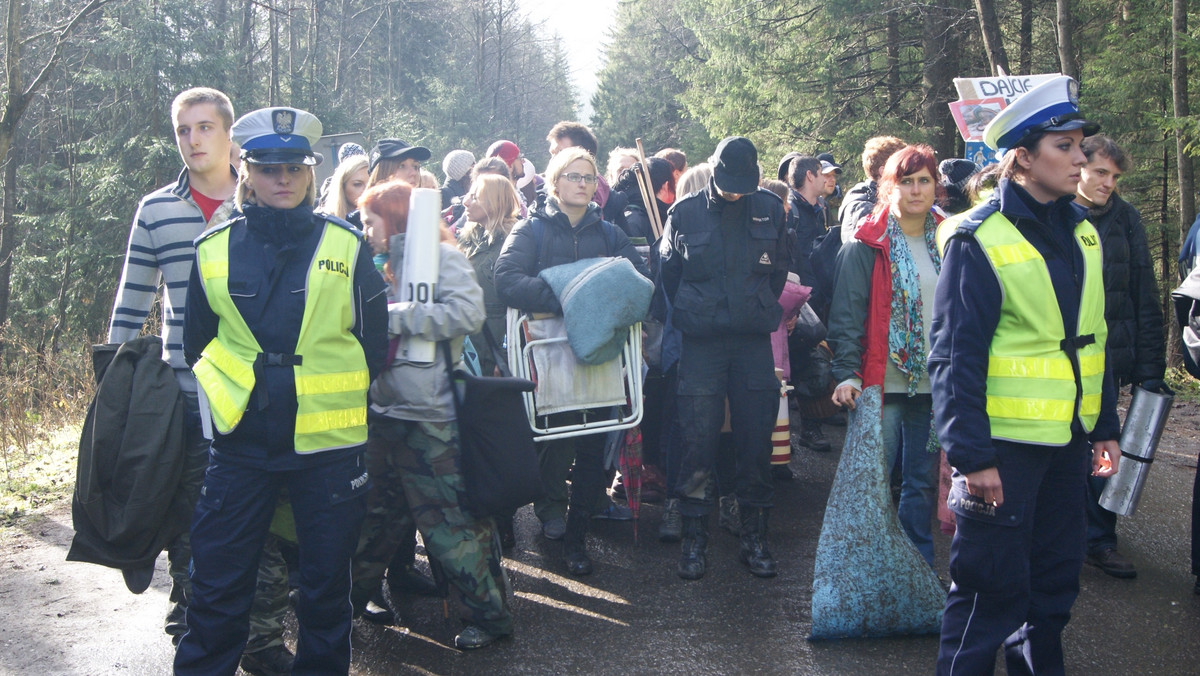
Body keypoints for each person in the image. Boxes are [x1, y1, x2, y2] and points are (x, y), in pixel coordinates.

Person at [175, 106, 388, 675]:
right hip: (241, 445)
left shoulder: (347, 246)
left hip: (329, 448)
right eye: (270, 168)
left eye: (295, 167)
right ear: (246, 170)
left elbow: (373, 347)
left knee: (323, 597)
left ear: (311, 172)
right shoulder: (212, 249)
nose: (284, 179)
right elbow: (200, 344)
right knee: (217, 593)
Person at [931, 76, 1121, 674]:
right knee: (988, 596)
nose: (1081, 158)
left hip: (1066, 443)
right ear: (1021, 158)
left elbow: (1094, 339)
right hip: (1002, 453)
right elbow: (955, 356)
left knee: (1051, 597)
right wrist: (971, 456)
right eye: (1064, 147)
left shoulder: (1084, 232)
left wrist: (1105, 425)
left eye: (1080, 146)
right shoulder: (978, 239)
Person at [348, 179, 513, 650]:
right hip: (383, 415)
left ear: (395, 217)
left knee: (449, 528)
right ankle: (341, 605)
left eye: (369, 221)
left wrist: (396, 316)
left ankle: (492, 618)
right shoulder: (372, 266)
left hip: (431, 419)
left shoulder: (444, 259)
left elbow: (468, 313)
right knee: (370, 522)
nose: (364, 231)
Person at [494, 146, 648, 575]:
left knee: (593, 444)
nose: (582, 184)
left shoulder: (610, 232)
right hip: (548, 356)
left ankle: (577, 540)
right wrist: (574, 297)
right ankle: (539, 516)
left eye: (588, 177)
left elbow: (637, 282)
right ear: (555, 181)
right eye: (573, 176)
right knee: (548, 442)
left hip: (599, 353)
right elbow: (506, 281)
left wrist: (584, 300)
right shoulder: (532, 230)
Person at [657, 136, 789, 580]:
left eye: (742, 184)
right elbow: (668, 275)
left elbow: (780, 270)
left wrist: (752, 308)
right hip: (702, 344)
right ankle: (694, 541)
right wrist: (702, 312)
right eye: (729, 183)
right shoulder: (684, 212)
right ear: (713, 170)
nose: (735, 191)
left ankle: (755, 538)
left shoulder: (770, 207)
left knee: (755, 441)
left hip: (751, 342)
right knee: (697, 442)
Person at [828, 144, 944, 567]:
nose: (916, 190)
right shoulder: (864, 245)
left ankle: (918, 567)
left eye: (924, 181)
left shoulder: (951, 238)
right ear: (886, 187)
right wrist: (847, 374)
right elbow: (846, 316)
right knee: (874, 482)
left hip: (936, 385)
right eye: (905, 181)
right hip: (882, 384)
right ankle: (871, 568)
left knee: (921, 484)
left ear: (936, 186)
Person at [1074, 134, 1167, 579]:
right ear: (1079, 167)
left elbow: (1143, 294)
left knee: (1105, 450)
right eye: (1100, 173)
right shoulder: (1055, 217)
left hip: (1107, 364)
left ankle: (1100, 537)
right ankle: (1061, 532)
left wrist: (1150, 368)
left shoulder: (1127, 219)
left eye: (1114, 176)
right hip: (1055, 362)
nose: (1108, 183)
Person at [839, 136, 907, 242]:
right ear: (883, 171)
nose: (908, 173)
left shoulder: (879, 198)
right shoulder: (863, 207)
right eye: (902, 167)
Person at [317, 153, 369, 220]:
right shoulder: (324, 222)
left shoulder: (383, 221)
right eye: (357, 184)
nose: (367, 189)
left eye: (372, 183)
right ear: (342, 187)